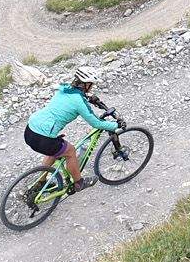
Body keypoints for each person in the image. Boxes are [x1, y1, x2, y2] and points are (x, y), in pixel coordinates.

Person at [24, 65, 119, 193]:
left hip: (30, 130)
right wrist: (116, 125)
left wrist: (88, 98)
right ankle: (79, 183)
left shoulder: (63, 89)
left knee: (55, 150)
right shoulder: (78, 101)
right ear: (86, 84)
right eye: (91, 84)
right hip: (43, 138)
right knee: (70, 151)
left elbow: (73, 98)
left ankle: (40, 182)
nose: (92, 87)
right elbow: (96, 123)